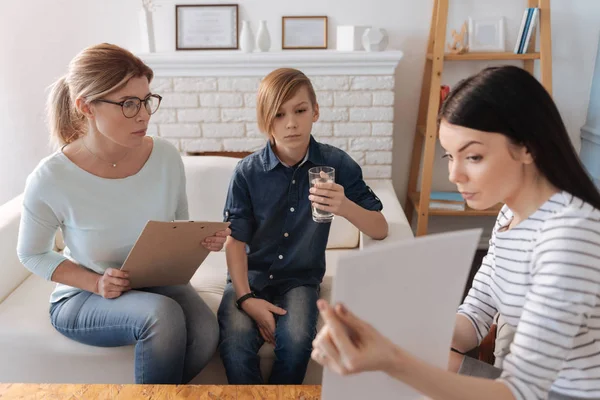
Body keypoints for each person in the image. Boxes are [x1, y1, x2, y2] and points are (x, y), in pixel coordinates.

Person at [311, 65, 600, 400]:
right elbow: (472, 319)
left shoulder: (570, 235)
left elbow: (521, 393)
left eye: (473, 156)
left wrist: (392, 359)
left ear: (527, 147)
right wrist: (382, 334)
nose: (455, 175)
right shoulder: (512, 214)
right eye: (450, 157)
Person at [16, 43, 231, 384]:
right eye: (129, 104)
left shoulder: (165, 157)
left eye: (147, 100)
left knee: (206, 331)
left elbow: (175, 227)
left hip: (155, 283)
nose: (144, 114)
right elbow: (31, 253)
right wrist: (96, 283)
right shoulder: (51, 176)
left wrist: (201, 240)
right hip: (84, 298)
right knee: (162, 315)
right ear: (86, 106)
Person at [217, 68, 389, 385]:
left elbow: (380, 228)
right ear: (265, 119)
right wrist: (246, 300)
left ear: (315, 112)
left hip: (300, 280)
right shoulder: (247, 172)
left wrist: (346, 207)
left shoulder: (336, 164)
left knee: (297, 343)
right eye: (279, 114)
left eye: (300, 110)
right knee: (235, 345)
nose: (292, 123)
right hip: (249, 278)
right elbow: (235, 241)